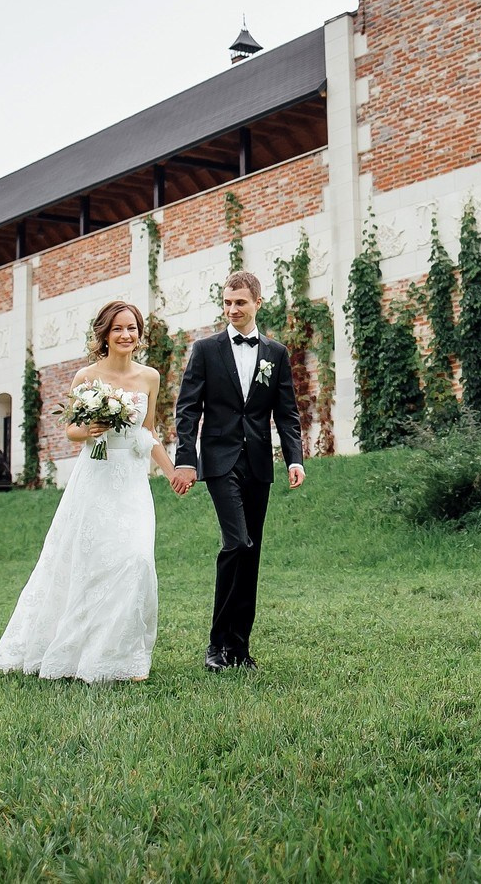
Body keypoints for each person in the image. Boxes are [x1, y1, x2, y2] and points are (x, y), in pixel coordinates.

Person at [0, 300, 185, 683]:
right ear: (105, 335)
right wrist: (89, 429)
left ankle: (122, 655)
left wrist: (171, 472)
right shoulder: (87, 376)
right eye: (118, 329)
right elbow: (71, 430)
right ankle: (80, 652)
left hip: (131, 483)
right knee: (89, 564)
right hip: (95, 478)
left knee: (137, 560)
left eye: (132, 328)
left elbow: (147, 432)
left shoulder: (149, 377)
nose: (126, 335)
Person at [171, 270, 305, 671]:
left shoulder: (276, 354)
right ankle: (216, 645)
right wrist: (185, 459)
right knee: (237, 544)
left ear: (257, 303)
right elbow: (187, 409)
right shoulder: (205, 350)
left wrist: (294, 458)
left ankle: (239, 648)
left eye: (240, 302)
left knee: (252, 552)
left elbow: (287, 412)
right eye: (227, 303)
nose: (232, 309)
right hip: (219, 461)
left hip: (259, 463)